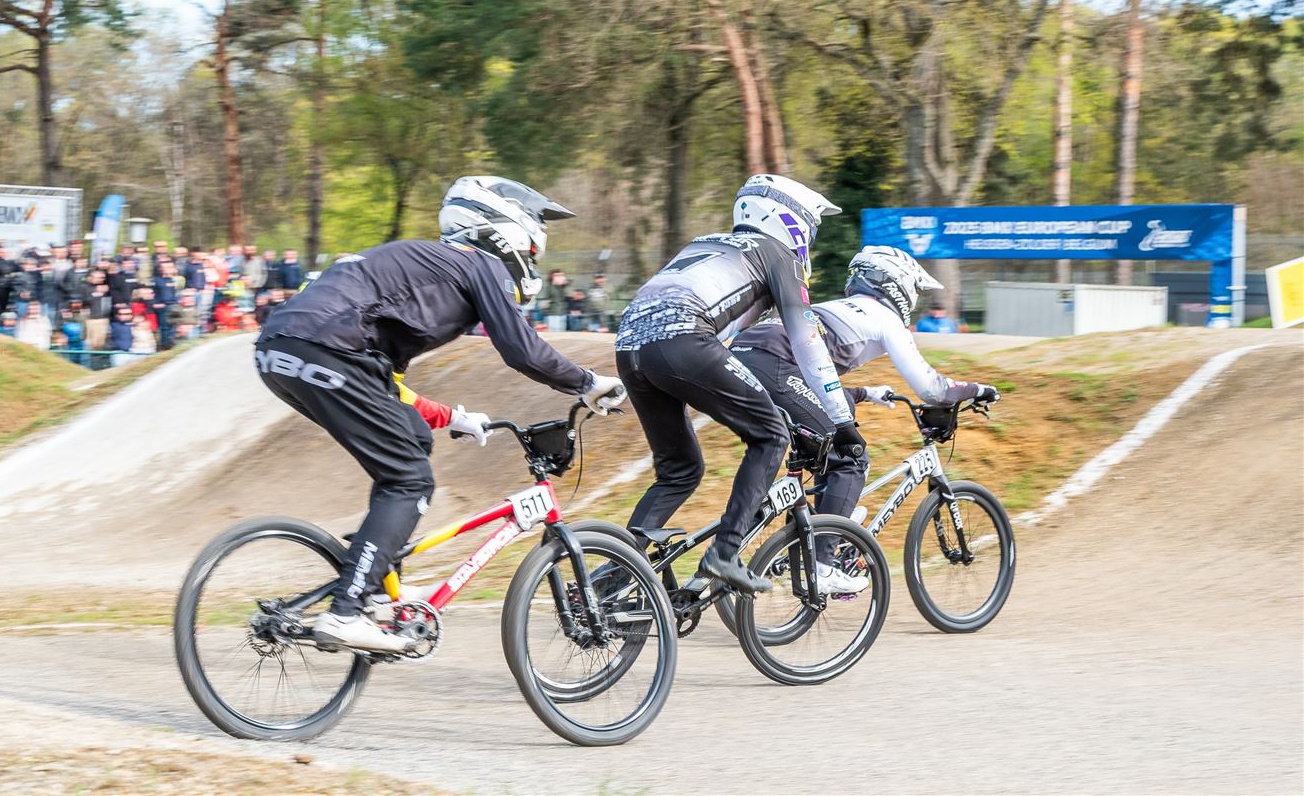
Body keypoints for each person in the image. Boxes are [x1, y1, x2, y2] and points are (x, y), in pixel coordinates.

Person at [254, 175, 625, 653]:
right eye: (533, 247)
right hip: (329, 349)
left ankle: (376, 584)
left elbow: (385, 389)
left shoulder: (427, 268)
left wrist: (452, 417)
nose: (532, 258)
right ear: (504, 228)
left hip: (280, 351)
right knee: (409, 480)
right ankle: (346, 611)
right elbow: (521, 349)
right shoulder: (479, 263)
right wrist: (587, 383)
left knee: (410, 438)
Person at [614, 174, 860, 595]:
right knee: (771, 436)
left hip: (629, 346)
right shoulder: (778, 254)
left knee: (679, 470)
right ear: (790, 220)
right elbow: (807, 343)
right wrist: (841, 419)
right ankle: (724, 554)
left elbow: (721, 336)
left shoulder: (704, 243)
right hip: (683, 339)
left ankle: (613, 580)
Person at [731, 246, 999, 582]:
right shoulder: (885, 319)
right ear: (897, 284)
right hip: (773, 363)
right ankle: (823, 563)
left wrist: (866, 393)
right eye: (914, 290)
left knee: (823, 449)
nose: (914, 298)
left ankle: (818, 526)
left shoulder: (839, 308)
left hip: (741, 357)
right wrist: (978, 389)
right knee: (851, 458)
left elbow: (814, 383)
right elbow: (932, 389)